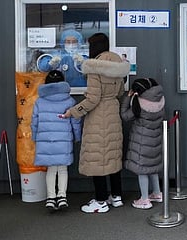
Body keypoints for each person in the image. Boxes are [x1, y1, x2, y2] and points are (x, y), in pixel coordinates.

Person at [62, 33, 130, 213]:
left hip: (99, 116)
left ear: (94, 47)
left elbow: (93, 99)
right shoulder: (118, 65)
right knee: (112, 156)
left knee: (97, 157)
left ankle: (100, 200)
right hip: (113, 113)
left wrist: (73, 112)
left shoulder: (94, 66)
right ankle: (116, 197)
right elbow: (119, 93)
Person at [31, 70, 81, 210]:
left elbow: (34, 122)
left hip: (45, 140)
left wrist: (35, 137)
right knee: (63, 169)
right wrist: (77, 137)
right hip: (63, 140)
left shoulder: (39, 101)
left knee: (51, 169)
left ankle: (51, 198)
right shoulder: (69, 101)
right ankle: (62, 196)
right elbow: (75, 121)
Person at [120, 78, 165, 209]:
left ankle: (144, 199)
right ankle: (157, 193)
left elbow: (125, 116)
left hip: (141, 141)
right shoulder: (160, 100)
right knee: (153, 168)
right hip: (155, 140)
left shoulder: (139, 102)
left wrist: (128, 98)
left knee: (143, 170)